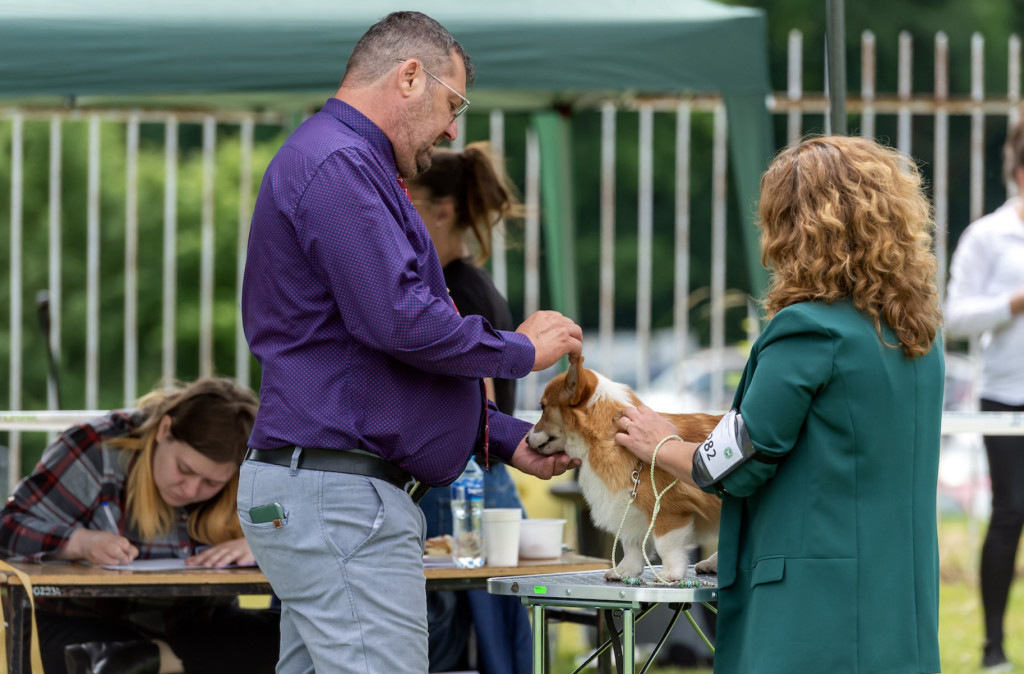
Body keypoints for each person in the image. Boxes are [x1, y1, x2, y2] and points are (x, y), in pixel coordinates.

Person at [238, 11, 583, 674]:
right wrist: (519, 351)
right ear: (409, 76)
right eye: (453, 105)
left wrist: (503, 437)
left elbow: (373, 358)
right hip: (340, 495)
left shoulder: (342, 160)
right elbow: (398, 321)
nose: (455, 129)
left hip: (328, 487)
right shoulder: (340, 164)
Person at [615, 135, 944, 673]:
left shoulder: (808, 329)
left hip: (816, 614)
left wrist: (662, 443)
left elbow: (738, 462)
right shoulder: (916, 336)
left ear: (795, 226)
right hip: (901, 603)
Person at [0, 377, 279, 674]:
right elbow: (8, 528)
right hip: (83, 622)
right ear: (164, 430)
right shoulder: (98, 447)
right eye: (184, 469)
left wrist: (261, 542)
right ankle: (152, 659)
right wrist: (80, 543)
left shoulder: (258, 470)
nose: (190, 489)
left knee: (297, 640)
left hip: (198, 624)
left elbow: (316, 538)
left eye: (211, 483)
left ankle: (154, 658)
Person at [408, 141, 532, 673]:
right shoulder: (476, 284)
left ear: (443, 209)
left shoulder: (450, 291)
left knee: (444, 645)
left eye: (405, 201)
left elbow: (475, 405)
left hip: (459, 485)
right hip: (485, 483)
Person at [945, 112, 1024, 673]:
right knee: (1010, 513)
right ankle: (994, 648)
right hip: (1007, 395)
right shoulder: (987, 236)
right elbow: (953, 318)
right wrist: (1013, 304)